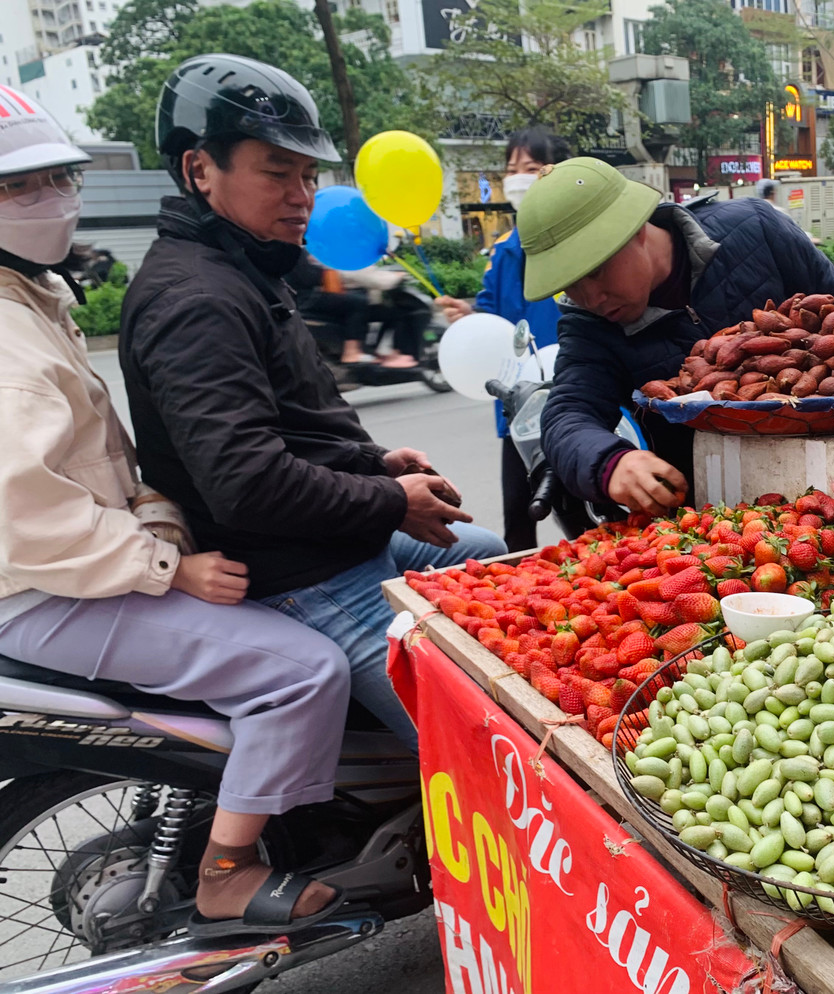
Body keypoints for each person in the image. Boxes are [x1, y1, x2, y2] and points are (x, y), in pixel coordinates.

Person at [0, 87, 351, 936]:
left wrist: (160, 528)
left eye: (58, 177)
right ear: (201, 170)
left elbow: (113, 461)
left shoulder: (34, 299)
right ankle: (227, 872)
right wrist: (165, 563)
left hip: (73, 568)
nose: (52, 200)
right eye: (19, 187)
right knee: (304, 671)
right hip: (40, 588)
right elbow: (27, 510)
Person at [119, 54, 506, 750]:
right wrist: (394, 500)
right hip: (301, 575)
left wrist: (374, 462)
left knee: (489, 555)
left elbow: (289, 422)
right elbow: (248, 483)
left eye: (307, 175)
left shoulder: (247, 266)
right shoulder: (197, 300)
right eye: (277, 172)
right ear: (199, 170)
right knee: (485, 744)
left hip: (331, 543)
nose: (301, 196)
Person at [518, 157, 834, 515]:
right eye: (571, 285)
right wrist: (608, 463)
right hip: (719, 520)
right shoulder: (588, 325)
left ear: (637, 229)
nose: (592, 298)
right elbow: (568, 414)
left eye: (597, 271)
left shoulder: (758, 229)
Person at [436, 127, 569, 551]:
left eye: (530, 168)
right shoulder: (504, 249)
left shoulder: (573, 240)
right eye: (511, 169)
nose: (517, 178)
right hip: (518, 403)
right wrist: (469, 316)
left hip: (571, 391)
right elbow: (494, 316)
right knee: (518, 514)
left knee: (583, 509)